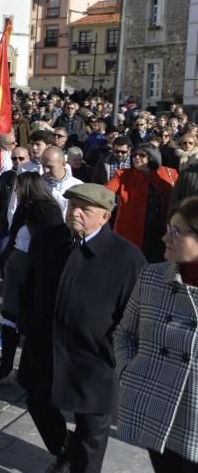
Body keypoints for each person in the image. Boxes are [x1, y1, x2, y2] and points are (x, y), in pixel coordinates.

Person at [19, 183, 144, 473]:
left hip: (94, 359)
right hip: (45, 347)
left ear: (105, 217)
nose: (75, 213)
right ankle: (64, 451)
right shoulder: (47, 240)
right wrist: (30, 322)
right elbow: (27, 287)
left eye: (85, 210)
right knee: (38, 403)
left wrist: (116, 353)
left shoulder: (126, 257)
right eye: (72, 205)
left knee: (91, 432)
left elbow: (134, 316)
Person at [115, 196, 198, 473]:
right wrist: (127, 372)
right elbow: (124, 333)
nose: (165, 237)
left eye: (176, 231)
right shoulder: (152, 276)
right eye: (168, 228)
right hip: (155, 410)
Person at [0, 172, 63, 382]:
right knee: (9, 316)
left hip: (35, 269)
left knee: (30, 318)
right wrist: (2, 261)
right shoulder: (24, 208)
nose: (16, 191)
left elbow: (52, 243)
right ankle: (7, 364)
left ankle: (31, 368)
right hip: (16, 266)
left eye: (19, 187)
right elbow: (13, 237)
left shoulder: (48, 210)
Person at [106, 144, 178, 262]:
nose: (136, 157)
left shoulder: (169, 173)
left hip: (160, 232)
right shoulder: (122, 175)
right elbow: (105, 192)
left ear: (152, 156)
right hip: (131, 233)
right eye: (134, 155)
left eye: (142, 155)